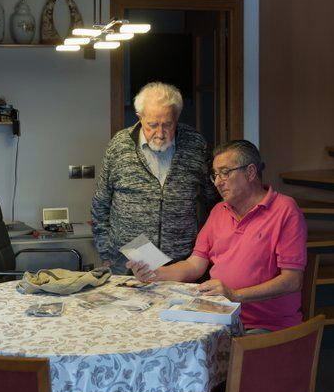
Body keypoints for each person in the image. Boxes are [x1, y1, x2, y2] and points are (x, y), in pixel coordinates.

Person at [128, 139, 308, 331]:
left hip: (264, 326)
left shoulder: (285, 210)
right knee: (156, 330)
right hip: (218, 318)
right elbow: (194, 265)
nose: (218, 182)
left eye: (225, 172)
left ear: (250, 172)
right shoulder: (218, 211)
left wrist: (235, 294)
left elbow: (292, 281)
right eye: (215, 175)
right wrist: (154, 273)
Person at [91, 81, 218, 275]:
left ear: (177, 118)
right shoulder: (119, 145)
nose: (160, 133)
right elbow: (100, 204)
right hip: (127, 263)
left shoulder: (195, 145)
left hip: (181, 262)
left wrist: (208, 247)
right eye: (152, 125)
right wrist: (106, 254)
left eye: (168, 124)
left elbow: (215, 200)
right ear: (140, 117)